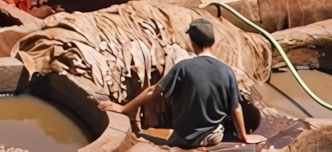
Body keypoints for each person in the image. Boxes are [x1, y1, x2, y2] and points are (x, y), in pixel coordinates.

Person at [101, 19, 263, 148]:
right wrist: (243, 136)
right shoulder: (226, 70)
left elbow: (153, 91)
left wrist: (122, 108)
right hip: (213, 136)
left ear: (192, 41)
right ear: (214, 42)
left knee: (142, 137)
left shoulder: (183, 67)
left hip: (185, 137)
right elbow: (236, 107)